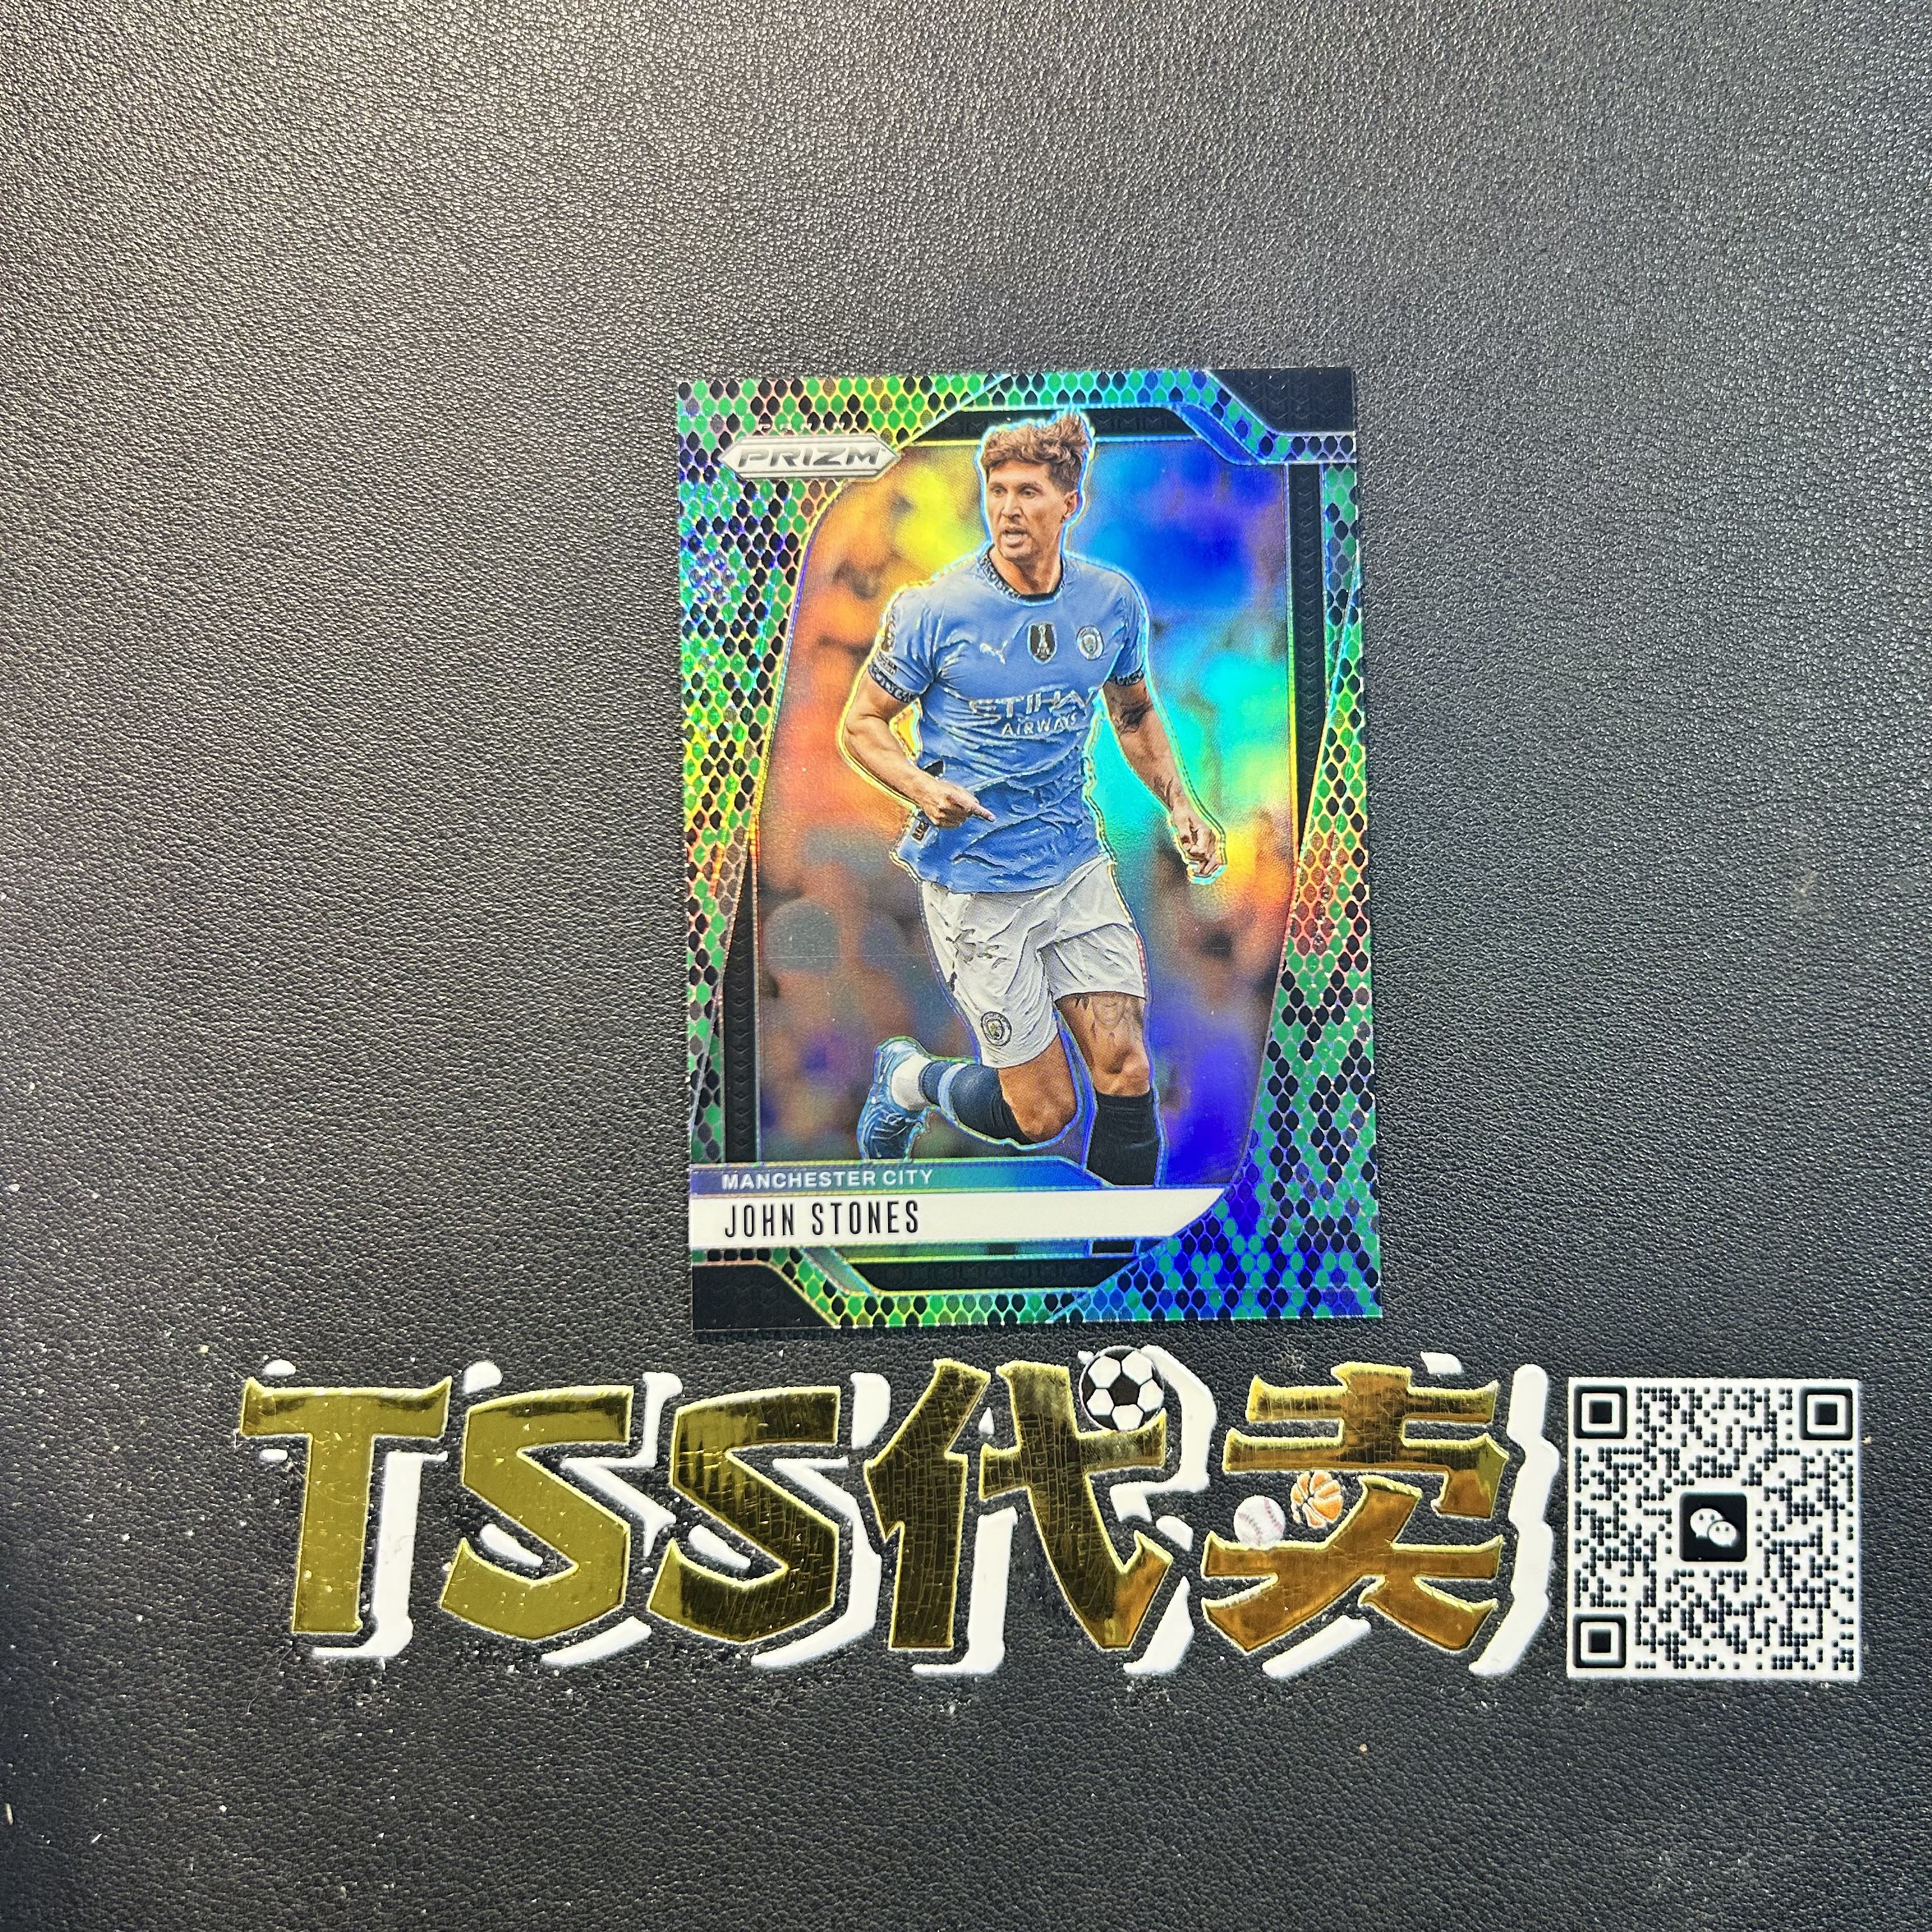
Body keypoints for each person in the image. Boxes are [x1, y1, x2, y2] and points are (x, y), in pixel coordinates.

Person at [837, 411, 1222, 1184]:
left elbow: (1134, 713)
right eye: (998, 491)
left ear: (1069, 504)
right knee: (1042, 1114)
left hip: (1073, 862)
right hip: (977, 881)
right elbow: (862, 724)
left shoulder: (1110, 602)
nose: (1009, 509)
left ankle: (1125, 1250)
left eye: (1029, 492)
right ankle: (909, 1078)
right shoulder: (935, 611)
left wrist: (1182, 803)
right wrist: (921, 785)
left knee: (1126, 1066)